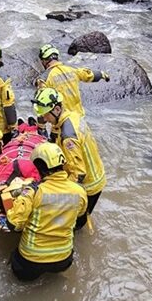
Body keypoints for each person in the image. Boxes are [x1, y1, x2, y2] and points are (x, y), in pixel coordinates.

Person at [6, 142, 87, 281]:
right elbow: (81, 220)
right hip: (63, 258)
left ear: (39, 168)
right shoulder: (79, 191)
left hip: (31, 258)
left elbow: (13, 225)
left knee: (17, 268)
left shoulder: (33, 191)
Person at [32, 87, 106, 215]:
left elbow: (78, 174)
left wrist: (60, 193)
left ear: (57, 109)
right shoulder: (71, 116)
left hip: (89, 185)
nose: (45, 118)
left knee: (73, 222)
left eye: (46, 114)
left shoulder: (68, 138)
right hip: (96, 172)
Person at [35, 44, 110, 117]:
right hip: (79, 117)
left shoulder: (44, 78)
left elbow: (42, 103)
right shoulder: (72, 69)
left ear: (44, 61)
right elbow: (90, 75)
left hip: (62, 120)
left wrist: (41, 126)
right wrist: (102, 74)